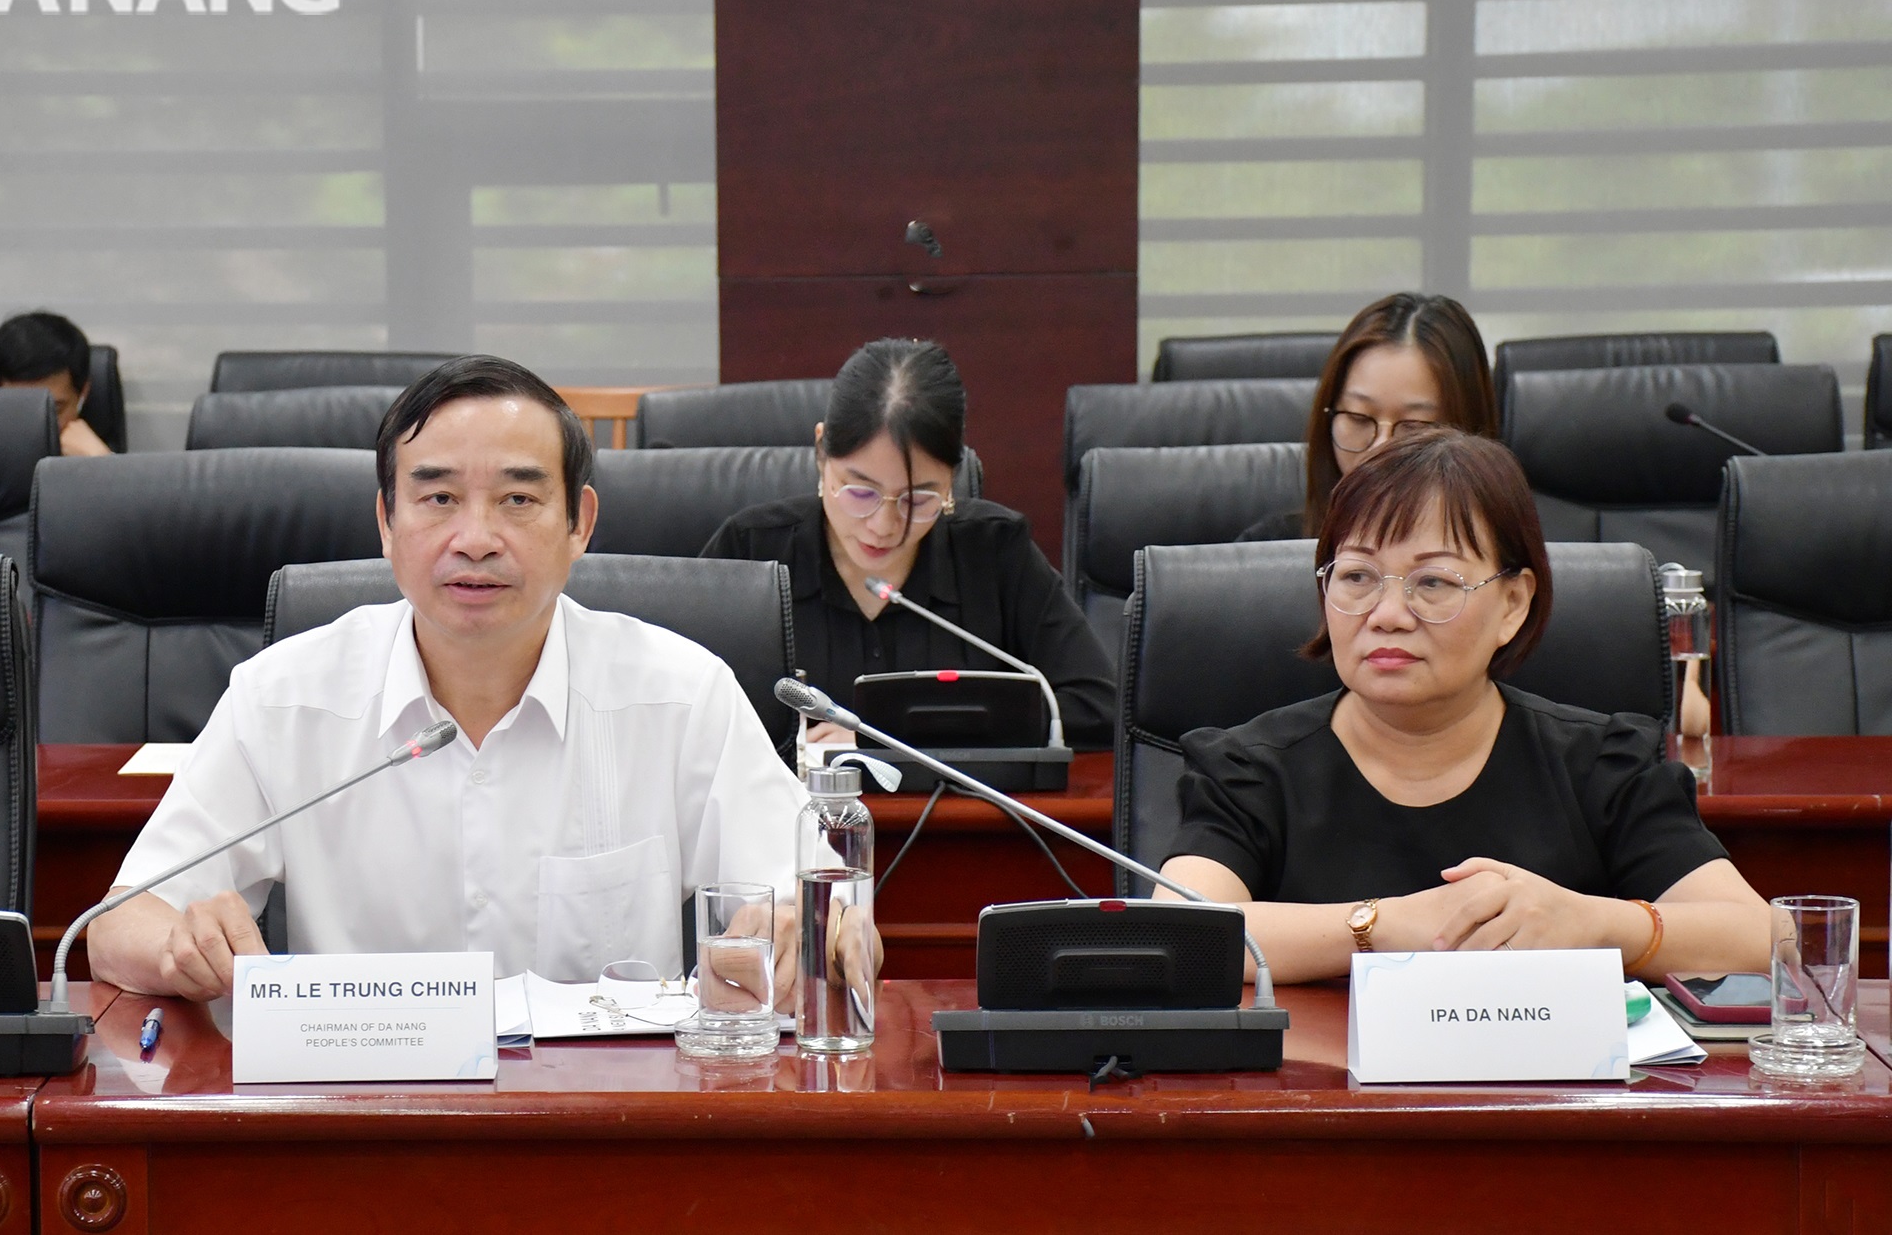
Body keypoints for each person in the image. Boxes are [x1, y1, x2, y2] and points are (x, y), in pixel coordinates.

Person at [90, 356, 825, 1001]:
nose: (475, 539)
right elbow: (117, 924)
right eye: (439, 498)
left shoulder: (682, 697)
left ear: (581, 523)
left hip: (604, 1131)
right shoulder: (281, 699)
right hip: (363, 1128)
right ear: (385, 521)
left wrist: (811, 931)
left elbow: (836, 917)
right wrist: (180, 944)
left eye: (518, 499)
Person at [1160, 429, 1768, 984]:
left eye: (1434, 583)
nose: (1388, 615)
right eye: (1356, 577)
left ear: (1512, 604)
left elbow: (1771, 940)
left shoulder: (1601, 764)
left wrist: (1598, 923)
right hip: (1320, 1096)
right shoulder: (1248, 768)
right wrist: (1381, 927)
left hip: (1546, 1097)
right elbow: (1180, 940)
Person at [701, 338, 1117, 749]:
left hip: (963, 815)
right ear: (821, 451)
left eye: (917, 500)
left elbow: (1098, 706)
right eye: (860, 493)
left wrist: (891, 736)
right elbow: (681, 700)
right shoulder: (751, 552)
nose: (884, 526)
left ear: (952, 477)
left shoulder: (995, 553)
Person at [1237, 292, 1495, 542]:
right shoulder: (1270, 548)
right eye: (1359, 418)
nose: (1380, 450)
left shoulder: (1515, 549)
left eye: (1415, 427)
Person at [0, 311, 112, 456]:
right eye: (19, 407)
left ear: (83, 393)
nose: (34, 425)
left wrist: (101, 463)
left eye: (53, 409)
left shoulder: (92, 454)